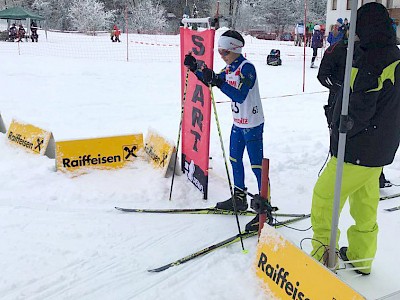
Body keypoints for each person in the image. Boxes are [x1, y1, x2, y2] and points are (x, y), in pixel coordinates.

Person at [310, 2, 400, 275]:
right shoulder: (392, 54)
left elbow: (362, 104)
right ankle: (361, 257)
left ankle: (322, 254)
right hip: (379, 148)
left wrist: (340, 124)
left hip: (358, 146)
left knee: (324, 196)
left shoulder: (374, 58)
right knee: (364, 203)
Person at [183, 30, 265, 232]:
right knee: (235, 159)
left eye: (225, 52)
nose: (222, 55)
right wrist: (195, 69)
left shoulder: (248, 69)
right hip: (238, 123)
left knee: (257, 167)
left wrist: (218, 81)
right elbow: (213, 79)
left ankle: (265, 209)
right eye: (219, 52)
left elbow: (240, 96)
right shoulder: (229, 68)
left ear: (235, 50)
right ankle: (239, 198)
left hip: (252, 125)